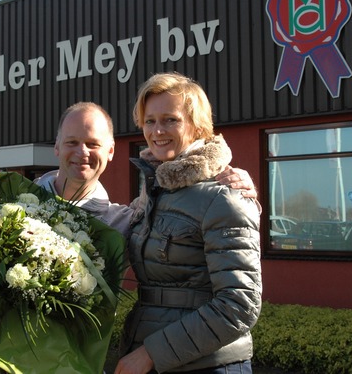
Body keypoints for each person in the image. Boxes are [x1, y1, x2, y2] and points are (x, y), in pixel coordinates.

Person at [114, 73, 262, 374]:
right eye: (150, 120)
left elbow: (239, 304)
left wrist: (149, 354)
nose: (157, 131)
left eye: (170, 120)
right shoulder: (153, 194)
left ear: (196, 126)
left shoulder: (224, 196)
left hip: (208, 365)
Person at [35, 101, 259, 235]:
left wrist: (239, 193)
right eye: (72, 142)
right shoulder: (12, 201)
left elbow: (187, 218)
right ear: (56, 146)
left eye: (93, 144)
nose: (82, 152)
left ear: (111, 151)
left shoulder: (125, 222)